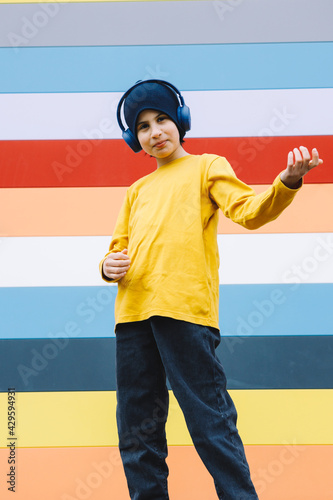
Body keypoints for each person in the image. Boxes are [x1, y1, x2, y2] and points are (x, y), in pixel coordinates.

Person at [99, 80, 323, 500]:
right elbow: (117, 250)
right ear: (135, 140)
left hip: (185, 314)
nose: (156, 131)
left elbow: (250, 212)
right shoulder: (136, 191)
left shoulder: (207, 166)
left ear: (181, 121)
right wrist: (107, 267)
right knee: (135, 431)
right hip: (131, 320)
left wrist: (286, 183)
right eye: (143, 126)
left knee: (210, 422)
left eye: (163, 118)